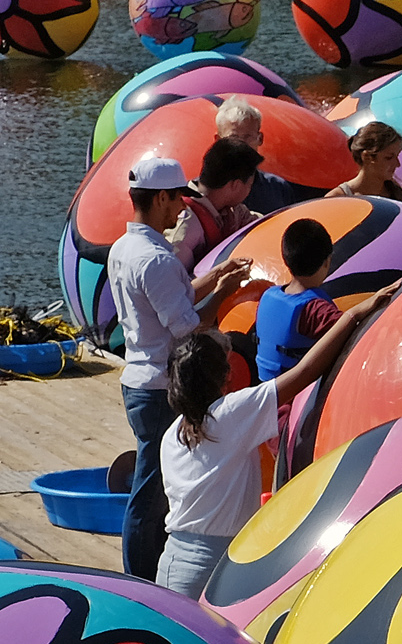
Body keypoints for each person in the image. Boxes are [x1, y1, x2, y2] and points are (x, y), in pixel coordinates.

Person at [155, 296, 383, 596]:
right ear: (226, 376)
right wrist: (353, 315)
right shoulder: (231, 413)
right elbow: (304, 373)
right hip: (217, 564)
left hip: (176, 561)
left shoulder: (173, 434)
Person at [110, 155, 257, 579]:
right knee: (151, 493)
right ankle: (140, 579)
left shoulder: (128, 248)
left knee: (152, 486)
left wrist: (214, 278)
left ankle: (144, 573)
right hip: (158, 386)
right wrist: (226, 292)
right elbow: (185, 328)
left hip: (139, 377)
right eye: (177, 199)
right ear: (160, 198)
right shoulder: (155, 258)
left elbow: (170, 299)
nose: (183, 208)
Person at [252, 217, 344, 379]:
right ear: (326, 262)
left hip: (264, 388)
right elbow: (358, 332)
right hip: (294, 398)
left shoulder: (268, 295)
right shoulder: (315, 311)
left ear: (286, 260)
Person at [211, 96, 302, 215]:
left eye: (248, 137)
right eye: (233, 138)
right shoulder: (204, 194)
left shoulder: (278, 188)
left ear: (260, 139)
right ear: (218, 141)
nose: (241, 145)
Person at [180, 140, 265, 266]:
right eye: (249, 184)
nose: (249, 190)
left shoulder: (233, 211)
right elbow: (169, 280)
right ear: (235, 185)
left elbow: (260, 223)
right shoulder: (185, 223)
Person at [329, 120, 402, 202]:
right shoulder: (337, 199)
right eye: (389, 157)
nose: (397, 164)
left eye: (397, 156)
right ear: (367, 157)